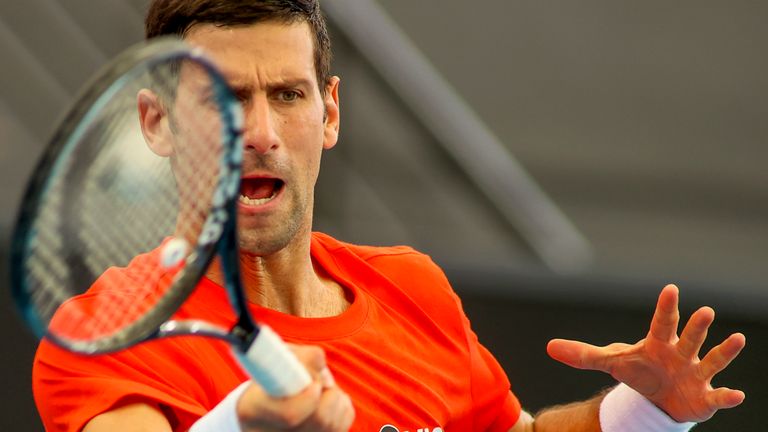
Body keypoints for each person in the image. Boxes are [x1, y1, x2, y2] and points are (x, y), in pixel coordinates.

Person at [32, 1, 747, 431]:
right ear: (156, 122)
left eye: (287, 94)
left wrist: (644, 412)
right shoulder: (105, 336)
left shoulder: (413, 288)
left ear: (330, 113)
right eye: (222, 98)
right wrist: (242, 425)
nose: (260, 132)